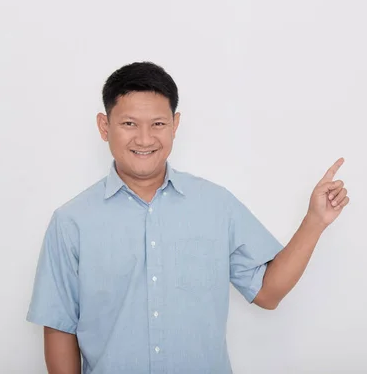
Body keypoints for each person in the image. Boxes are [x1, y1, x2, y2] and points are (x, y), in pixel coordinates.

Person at [26, 61, 350, 374]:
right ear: (104, 126)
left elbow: (268, 293)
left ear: (175, 126)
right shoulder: (71, 221)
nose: (144, 138)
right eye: (129, 124)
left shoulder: (216, 205)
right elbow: (59, 327)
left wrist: (315, 220)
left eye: (158, 124)